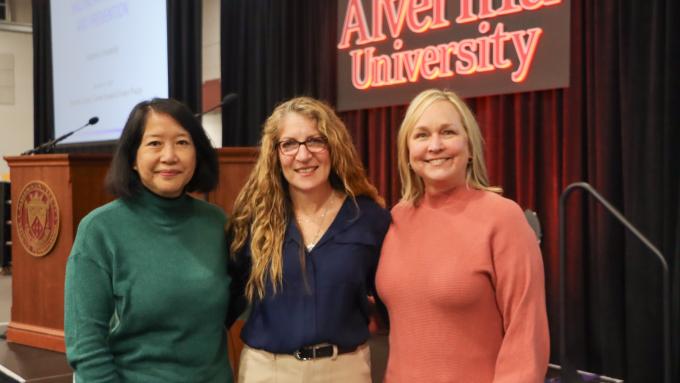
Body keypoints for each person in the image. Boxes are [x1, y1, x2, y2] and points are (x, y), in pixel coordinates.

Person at [376, 89, 550, 382]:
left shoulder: (504, 218)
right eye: (421, 135)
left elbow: (526, 336)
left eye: (448, 132)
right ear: (407, 153)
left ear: (470, 147)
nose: (435, 145)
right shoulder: (395, 219)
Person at [64, 98, 234, 382]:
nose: (169, 156)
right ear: (132, 156)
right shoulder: (100, 230)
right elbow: (86, 346)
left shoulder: (218, 224)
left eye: (182, 142)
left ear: (197, 153)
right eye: (154, 143)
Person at [228, 96, 390, 382]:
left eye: (315, 140)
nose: (303, 156)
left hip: (345, 369)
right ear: (274, 153)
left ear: (334, 147)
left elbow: (391, 302)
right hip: (268, 370)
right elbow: (228, 298)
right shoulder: (254, 220)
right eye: (289, 144)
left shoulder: (368, 218)